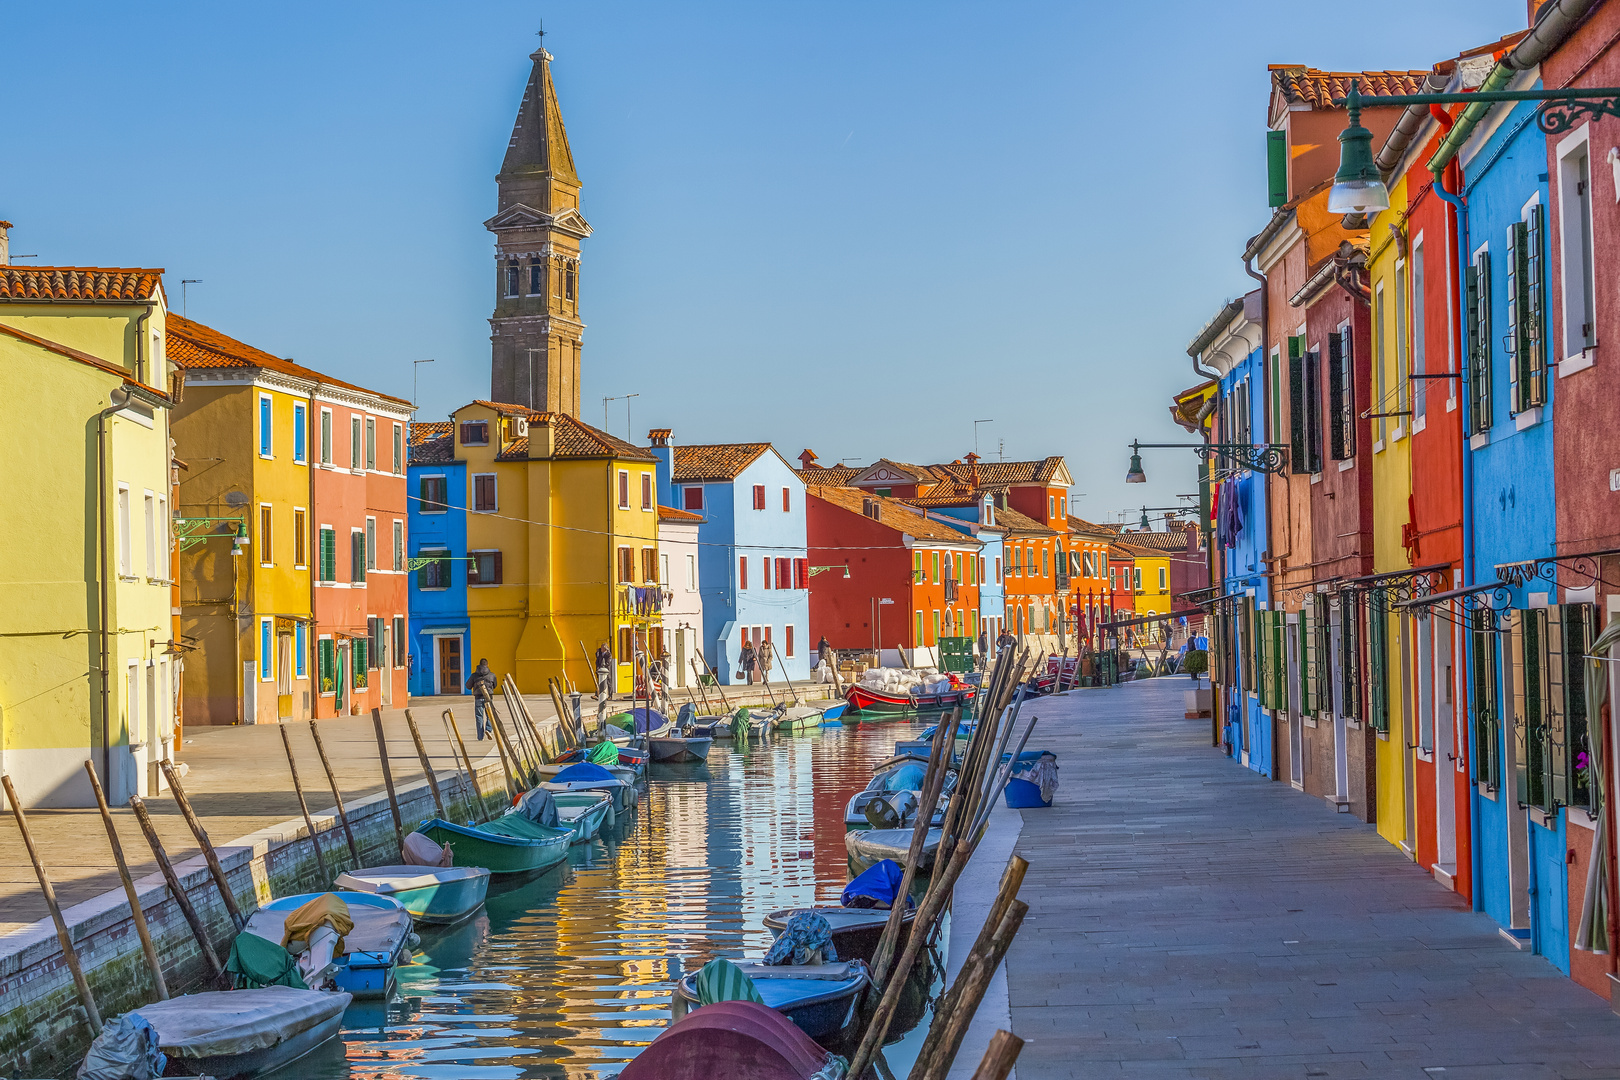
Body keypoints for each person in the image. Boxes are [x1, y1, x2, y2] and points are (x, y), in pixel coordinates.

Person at [465, 658, 496, 740]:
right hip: (488, 698)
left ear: (479, 665)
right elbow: (495, 685)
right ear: (487, 665)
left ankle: (480, 737)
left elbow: (468, 686)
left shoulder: (474, 675)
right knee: (490, 715)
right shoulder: (492, 675)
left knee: (479, 717)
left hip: (478, 698)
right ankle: (488, 729)